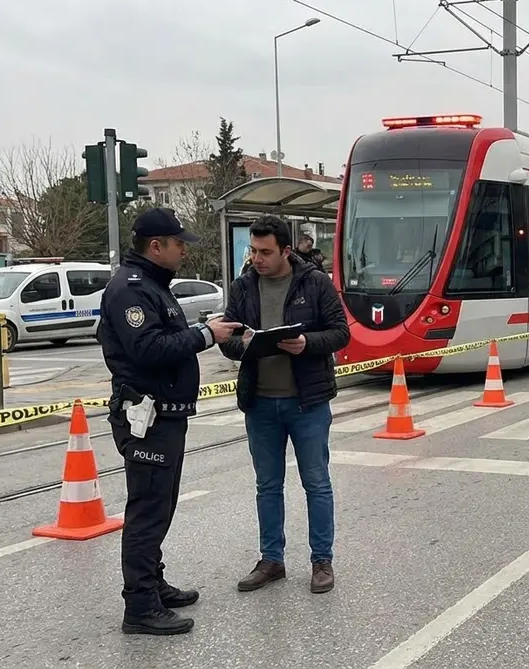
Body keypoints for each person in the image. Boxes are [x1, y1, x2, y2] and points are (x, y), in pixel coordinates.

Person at [98, 208, 241, 635]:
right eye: (178, 243)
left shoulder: (154, 287)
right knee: (147, 510)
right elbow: (148, 349)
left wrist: (202, 330)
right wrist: (206, 335)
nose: (183, 250)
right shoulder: (130, 289)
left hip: (165, 415)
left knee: (161, 505)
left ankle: (153, 583)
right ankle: (139, 606)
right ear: (156, 246)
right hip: (147, 417)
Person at [218, 216, 350, 595]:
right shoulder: (243, 287)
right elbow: (229, 335)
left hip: (306, 402)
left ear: (286, 251)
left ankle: (321, 561)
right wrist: (238, 345)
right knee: (267, 485)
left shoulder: (315, 283)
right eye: (253, 251)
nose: (257, 259)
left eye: (265, 252)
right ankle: (271, 559)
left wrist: (308, 343)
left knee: (316, 483)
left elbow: (341, 332)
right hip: (260, 403)